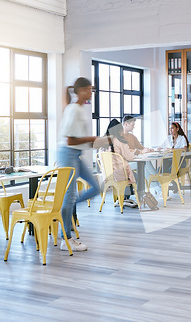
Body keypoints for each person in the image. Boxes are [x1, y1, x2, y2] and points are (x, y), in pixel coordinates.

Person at [57, 77, 103, 251]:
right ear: (82, 91)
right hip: (68, 153)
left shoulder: (79, 109)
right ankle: (66, 239)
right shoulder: (74, 109)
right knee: (69, 196)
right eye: (89, 89)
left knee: (95, 188)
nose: (91, 92)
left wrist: (99, 141)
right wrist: (92, 139)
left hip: (76, 154)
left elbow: (79, 140)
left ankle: (67, 207)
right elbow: (70, 140)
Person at [102, 119, 138, 208]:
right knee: (137, 176)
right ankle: (124, 198)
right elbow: (130, 157)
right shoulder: (119, 141)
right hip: (119, 174)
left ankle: (122, 198)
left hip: (108, 175)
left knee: (129, 173)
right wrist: (134, 153)